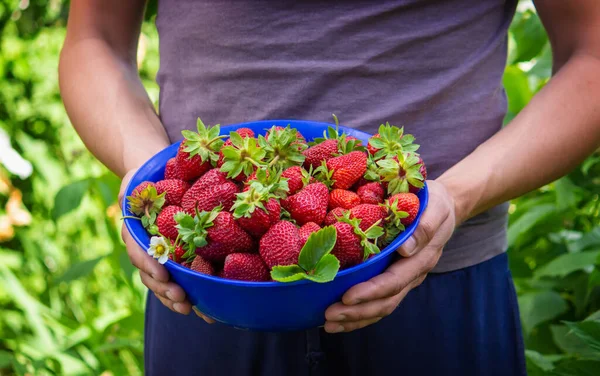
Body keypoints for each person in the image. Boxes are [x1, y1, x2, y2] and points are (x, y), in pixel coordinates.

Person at [58, 0, 600, 375]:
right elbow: (94, 38)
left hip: (441, 277)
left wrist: (457, 196)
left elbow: (591, 56)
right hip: (205, 282)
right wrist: (147, 172)